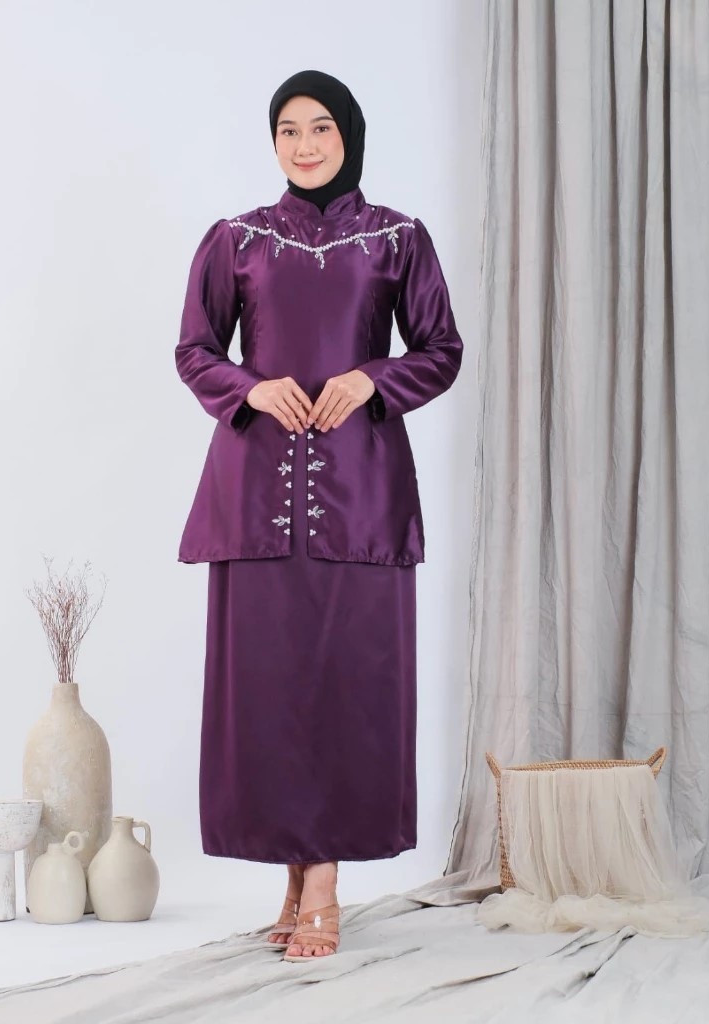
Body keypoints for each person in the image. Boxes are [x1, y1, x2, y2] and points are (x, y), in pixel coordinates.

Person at [175, 69, 462, 962]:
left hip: (361, 495)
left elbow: (441, 349)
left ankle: (326, 879)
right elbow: (194, 350)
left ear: (350, 135)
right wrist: (250, 387)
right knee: (267, 690)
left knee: (347, 686)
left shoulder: (398, 239)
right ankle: (297, 876)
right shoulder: (237, 240)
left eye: (321, 128)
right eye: (288, 130)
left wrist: (372, 379)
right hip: (254, 494)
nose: (304, 145)